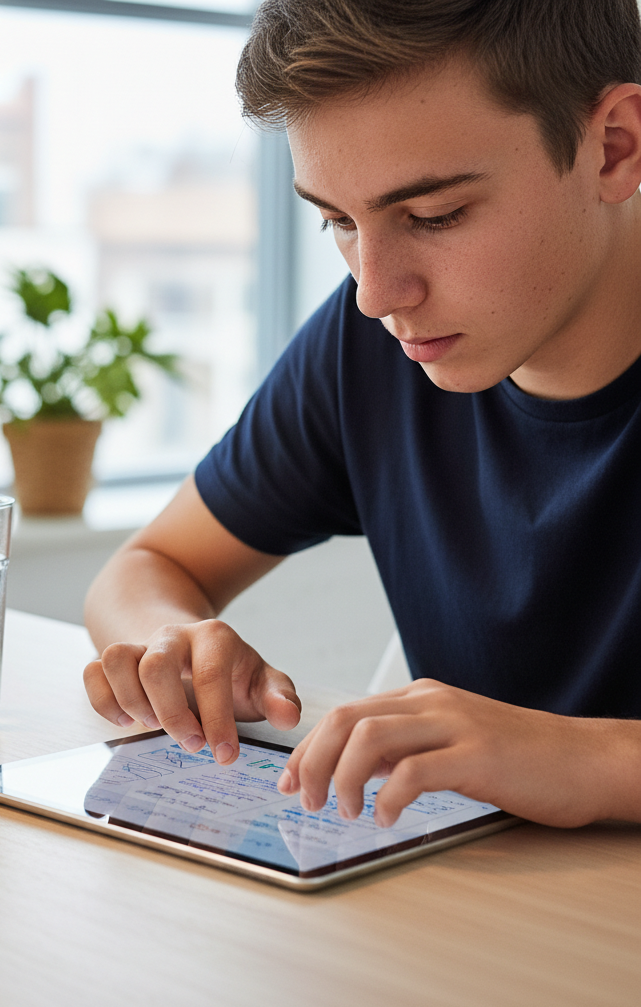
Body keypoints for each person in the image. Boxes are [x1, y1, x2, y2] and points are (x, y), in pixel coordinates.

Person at [82, 0, 641, 830]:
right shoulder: (372, 346)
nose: (376, 293)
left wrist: (586, 759)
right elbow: (145, 567)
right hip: (458, 906)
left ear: (615, 146)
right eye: (339, 221)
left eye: (434, 216)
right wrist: (176, 640)